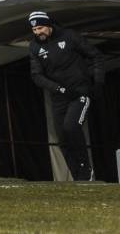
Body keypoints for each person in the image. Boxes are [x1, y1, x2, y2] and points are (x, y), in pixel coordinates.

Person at [28, 10, 105, 181]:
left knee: (71, 127)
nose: (38, 32)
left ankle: (86, 170)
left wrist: (98, 82)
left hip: (79, 92)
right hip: (59, 97)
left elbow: (96, 56)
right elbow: (36, 75)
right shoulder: (34, 47)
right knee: (62, 138)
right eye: (34, 30)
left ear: (48, 25)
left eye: (40, 28)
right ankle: (78, 178)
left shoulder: (69, 36)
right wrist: (59, 89)